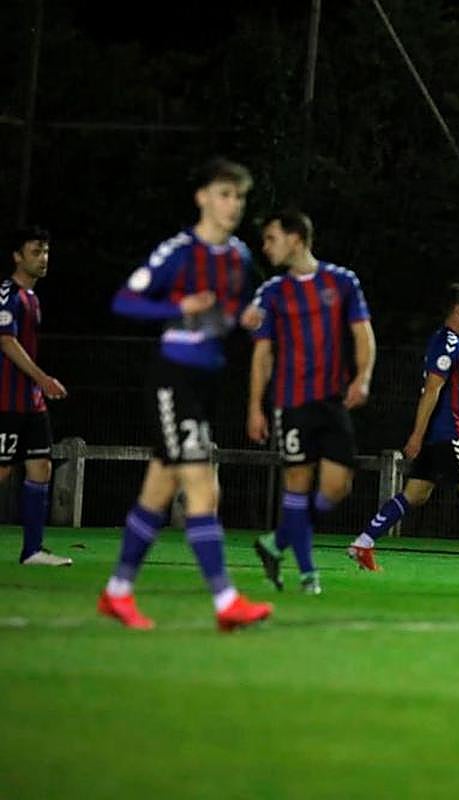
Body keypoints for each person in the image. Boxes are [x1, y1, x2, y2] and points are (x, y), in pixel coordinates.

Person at [98, 157, 274, 631]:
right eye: (223, 194)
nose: (232, 204)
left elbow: (234, 310)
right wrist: (179, 304)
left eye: (238, 196)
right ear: (202, 197)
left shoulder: (237, 256)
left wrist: (244, 318)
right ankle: (225, 601)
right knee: (202, 486)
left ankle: (117, 592)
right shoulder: (177, 251)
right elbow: (124, 300)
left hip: (206, 383)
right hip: (172, 378)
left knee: (157, 493)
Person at [346, 282, 459, 577]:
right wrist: (417, 435)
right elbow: (432, 390)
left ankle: (363, 543)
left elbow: (456, 388)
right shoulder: (449, 343)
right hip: (448, 431)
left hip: (436, 433)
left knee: (416, 494)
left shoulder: (448, 340)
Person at [247, 210, 376, 596]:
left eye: (272, 238)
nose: (266, 246)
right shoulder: (271, 293)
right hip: (291, 404)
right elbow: (262, 354)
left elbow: (363, 334)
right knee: (298, 487)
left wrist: (363, 377)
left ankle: (276, 542)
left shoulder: (341, 282)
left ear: (296, 238)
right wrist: (255, 406)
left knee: (338, 487)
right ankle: (308, 577)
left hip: (332, 401)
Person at [1, 226, 71, 566]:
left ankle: (32, 551)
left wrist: (38, 387)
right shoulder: (7, 293)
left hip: (30, 401)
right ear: (17, 256)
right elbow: (5, 340)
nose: (43, 258)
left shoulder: (34, 298)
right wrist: (43, 378)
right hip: (5, 399)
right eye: (35, 251)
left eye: (45, 251)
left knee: (41, 467)